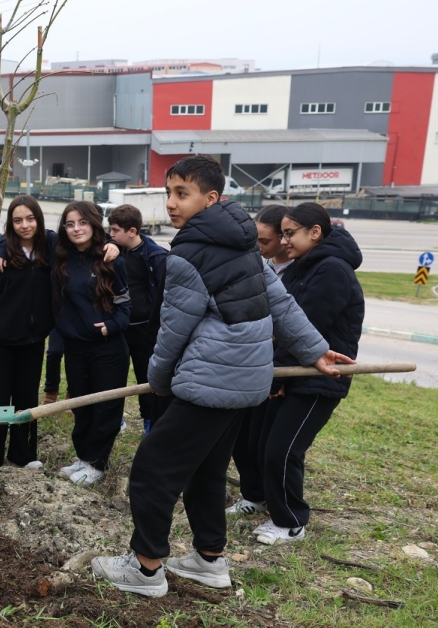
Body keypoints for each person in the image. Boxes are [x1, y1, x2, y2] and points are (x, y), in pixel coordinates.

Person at [90, 155, 350, 598]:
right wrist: (313, 350)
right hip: (247, 384)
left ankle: (146, 567)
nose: (171, 203)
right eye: (168, 193)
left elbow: (174, 329)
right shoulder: (245, 243)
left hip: (210, 381)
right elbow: (281, 302)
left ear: (210, 199)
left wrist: (159, 379)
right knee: (205, 471)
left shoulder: (188, 254)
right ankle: (208, 561)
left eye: (181, 193)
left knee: (152, 470)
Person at [250, 203, 364, 545]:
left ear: (315, 232)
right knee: (266, 445)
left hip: (322, 377)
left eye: (290, 233)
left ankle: (291, 523)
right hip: (297, 372)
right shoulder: (307, 265)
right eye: (282, 234)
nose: (284, 241)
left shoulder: (332, 270)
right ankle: (271, 507)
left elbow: (308, 328)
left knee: (283, 451)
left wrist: (281, 378)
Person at [0, 195, 55, 468]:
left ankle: (24, 453)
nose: (25, 225)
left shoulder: (48, 252)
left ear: (39, 220)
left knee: (27, 398)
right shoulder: (1, 257)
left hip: (32, 341)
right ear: (10, 224)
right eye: (18, 220)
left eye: (30, 219)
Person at [54, 201, 131, 487]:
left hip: (107, 349)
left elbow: (125, 305)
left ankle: (98, 464)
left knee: (105, 407)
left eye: (83, 222)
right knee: (81, 404)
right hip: (74, 347)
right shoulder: (61, 257)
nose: (77, 228)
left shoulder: (112, 260)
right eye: (70, 223)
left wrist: (111, 327)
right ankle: (84, 457)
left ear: (94, 224)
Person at [227, 204, 293, 517]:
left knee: (267, 444)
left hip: (275, 370)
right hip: (250, 364)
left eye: (264, 242)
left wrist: (278, 377)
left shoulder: (299, 272)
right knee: (243, 439)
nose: (257, 247)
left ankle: (272, 499)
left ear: (284, 238)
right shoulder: (255, 265)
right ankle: (252, 494)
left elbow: (294, 327)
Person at [107, 205, 169, 434]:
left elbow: (164, 295)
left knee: (146, 377)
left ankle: (149, 421)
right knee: (114, 376)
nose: (111, 234)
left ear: (132, 231)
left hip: (145, 329)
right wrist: (111, 243)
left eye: (115, 230)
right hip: (119, 327)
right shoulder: (114, 250)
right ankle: (115, 419)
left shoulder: (155, 256)